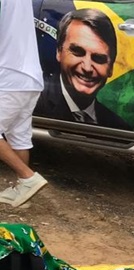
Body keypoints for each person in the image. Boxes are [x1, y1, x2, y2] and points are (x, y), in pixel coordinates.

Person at [34, 8, 130, 130]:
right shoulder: (31, 105)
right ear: (59, 51)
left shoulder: (119, 127)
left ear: (111, 67)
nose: (87, 67)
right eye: (77, 52)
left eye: (98, 58)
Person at [0, 0, 49, 207]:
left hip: (8, 77)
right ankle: (23, 192)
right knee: (18, 137)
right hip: (30, 78)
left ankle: (28, 177)